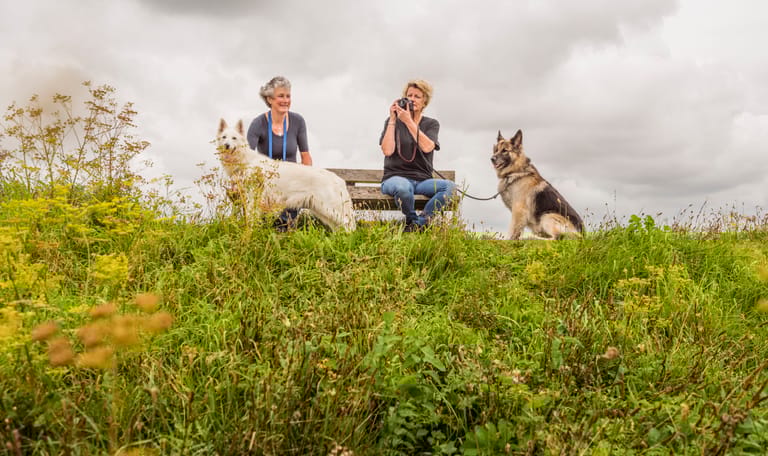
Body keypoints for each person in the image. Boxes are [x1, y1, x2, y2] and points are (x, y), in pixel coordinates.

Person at [379, 79, 456, 231]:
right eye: (409, 95)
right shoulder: (392, 122)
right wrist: (393, 120)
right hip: (395, 178)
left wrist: (409, 122)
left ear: (424, 102)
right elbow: (387, 150)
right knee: (403, 187)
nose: (412, 99)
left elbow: (427, 147)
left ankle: (422, 221)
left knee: (450, 187)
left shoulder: (431, 124)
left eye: (417, 96)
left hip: (422, 181)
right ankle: (413, 221)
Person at [247, 76, 313, 231]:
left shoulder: (298, 121)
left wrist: (308, 178)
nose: (285, 100)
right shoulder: (258, 123)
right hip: (267, 180)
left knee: (289, 208)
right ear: (269, 99)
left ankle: (284, 229)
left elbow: (305, 156)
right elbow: (247, 157)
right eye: (281, 96)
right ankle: (274, 230)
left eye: (288, 96)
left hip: (291, 180)